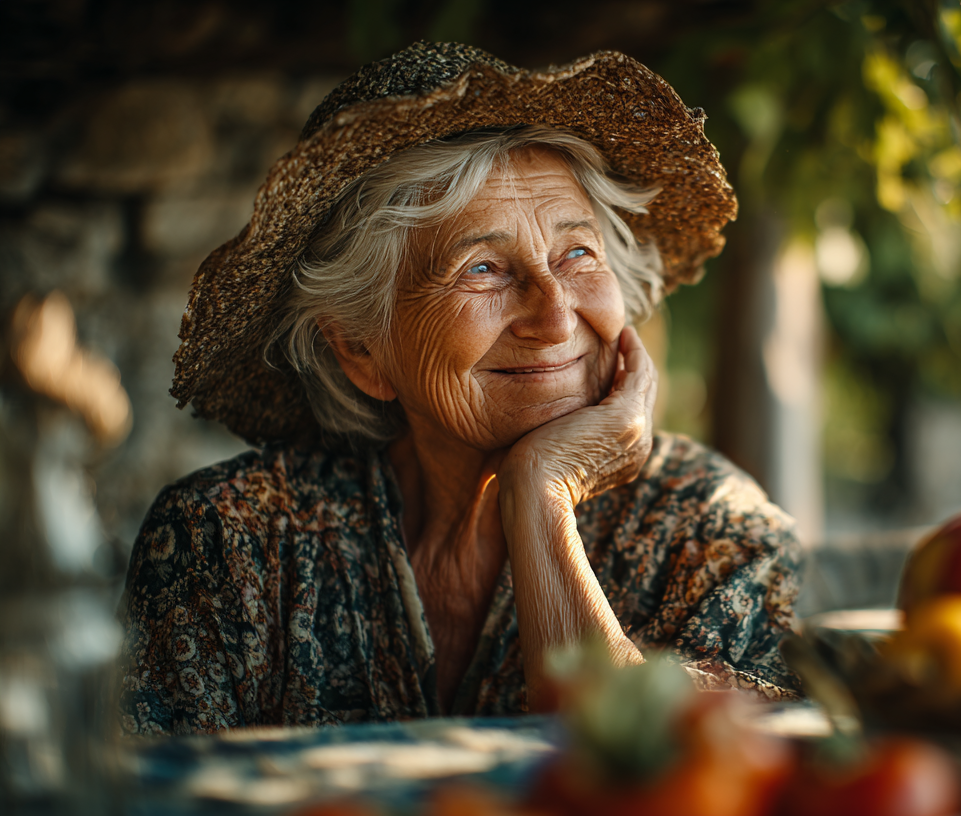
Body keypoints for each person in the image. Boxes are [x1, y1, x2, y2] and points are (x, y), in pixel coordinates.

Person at [118, 42, 801, 736]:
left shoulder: (711, 530)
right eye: (482, 269)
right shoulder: (229, 544)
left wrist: (541, 493)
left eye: (577, 253)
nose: (557, 314)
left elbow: (697, 784)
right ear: (360, 349)